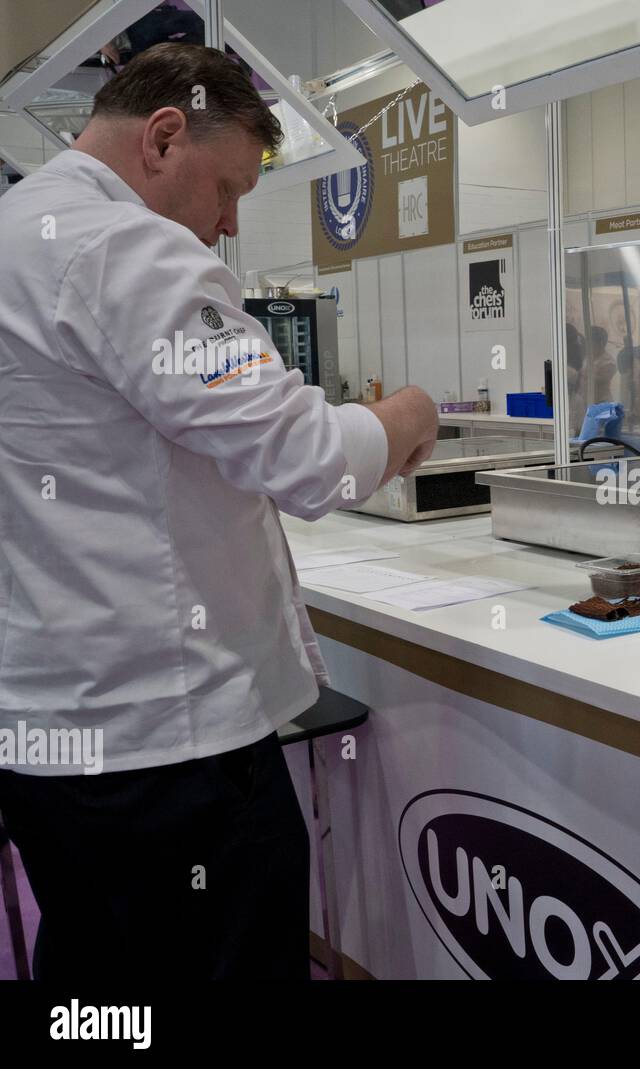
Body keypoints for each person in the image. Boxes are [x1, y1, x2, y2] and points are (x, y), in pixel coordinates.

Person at [0, 44, 441, 979]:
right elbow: (306, 456)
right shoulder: (124, 248)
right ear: (164, 136)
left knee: (93, 973)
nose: (229, 223)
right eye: (229, 189)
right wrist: (405, 416)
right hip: (167, 755)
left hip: (45, 740)